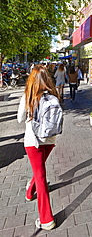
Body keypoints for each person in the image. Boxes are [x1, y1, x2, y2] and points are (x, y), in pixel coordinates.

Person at [17, 65, 60, 230]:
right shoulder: (52, 95)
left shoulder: (28, 96)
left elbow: (20, 119)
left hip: (33, 141)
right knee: (39, 170)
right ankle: (29, 192)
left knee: (40, 176)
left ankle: (46, 219)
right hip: (50, 139)